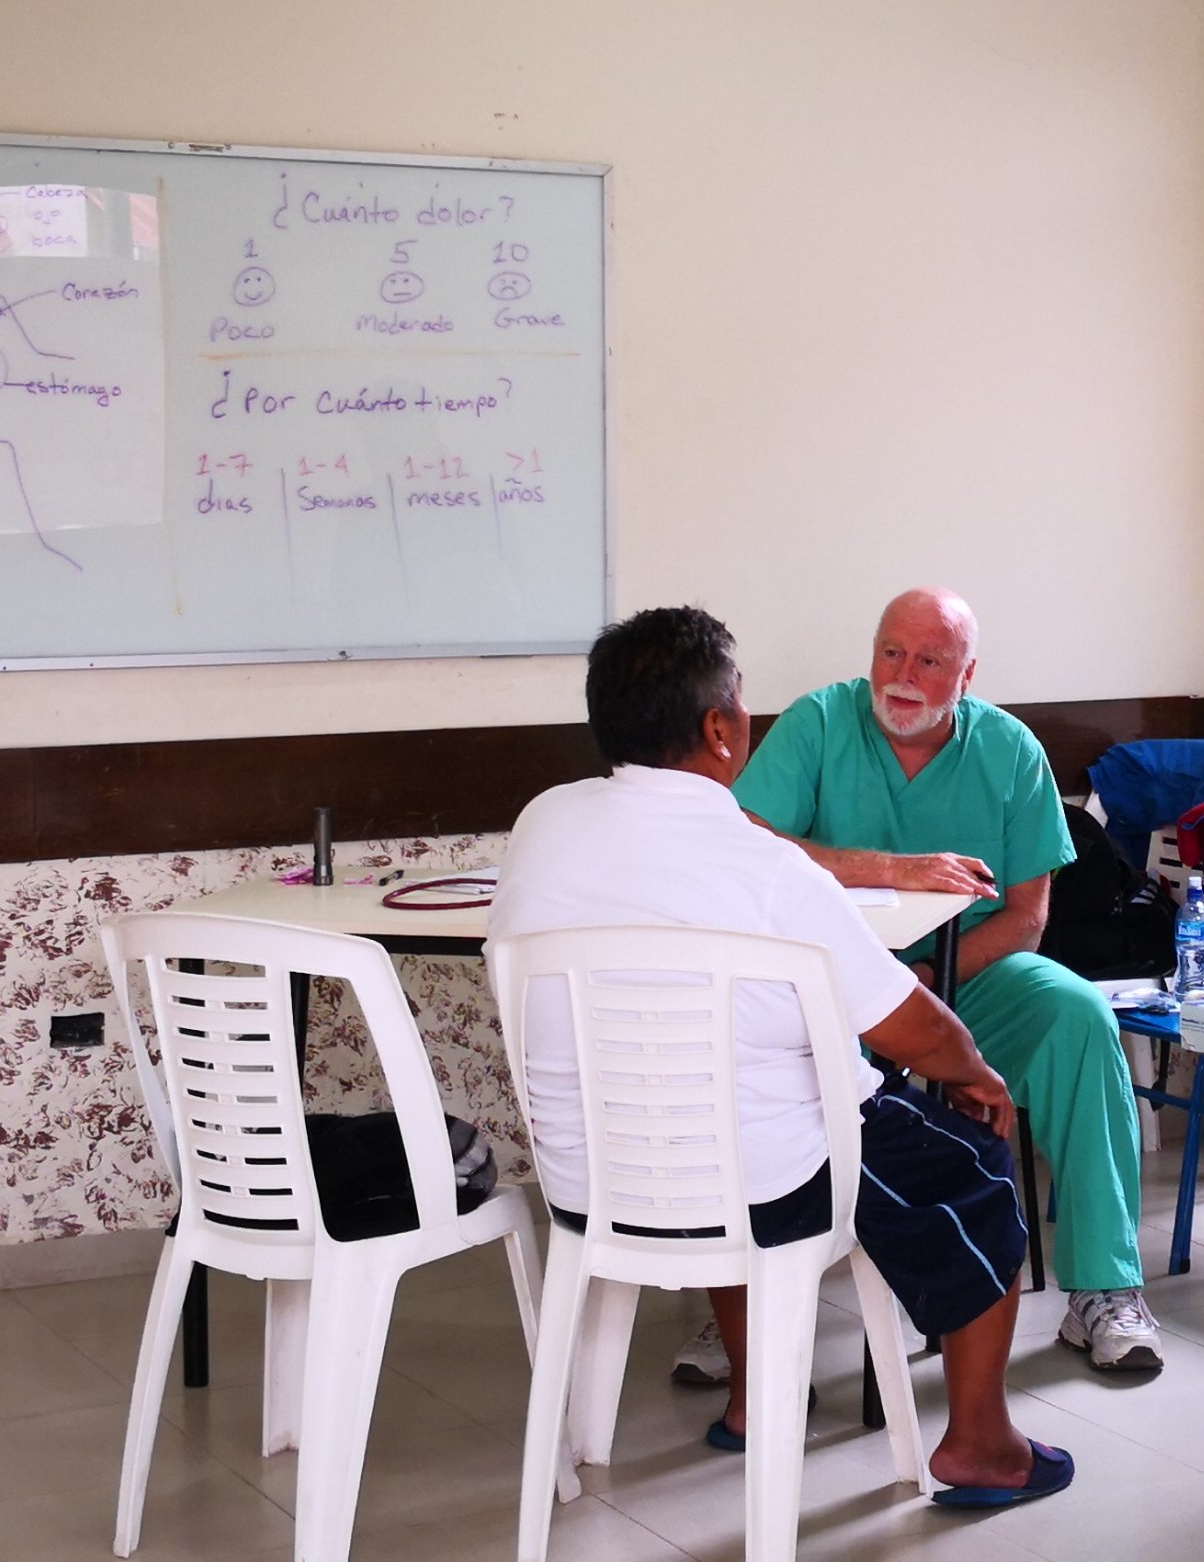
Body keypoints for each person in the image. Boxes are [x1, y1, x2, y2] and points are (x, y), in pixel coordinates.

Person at [488, 606, 1073, 1508]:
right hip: (759, 1188)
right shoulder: (765, 865)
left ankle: (756, 1399)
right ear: (722, 728)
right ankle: (982, 1444)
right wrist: (974, 1072)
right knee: (973, 1167)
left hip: (592, 1180)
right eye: (740, 703)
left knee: (732, 1121)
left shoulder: (543, 822)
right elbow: (910, 1027)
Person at [702, 586, 1167, 1375]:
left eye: (928, 659)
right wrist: (890, 870)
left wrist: (920, 980)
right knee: (751, 1045)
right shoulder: (820, 722)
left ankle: (1104, 1287)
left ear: (967, 673)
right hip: (825, 986)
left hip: (966, 977)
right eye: (891, 652)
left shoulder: (1010, 750)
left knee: (1079, 1015)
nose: (903, 674)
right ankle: (746, 1303)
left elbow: (1026, 918)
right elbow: (746, 841)